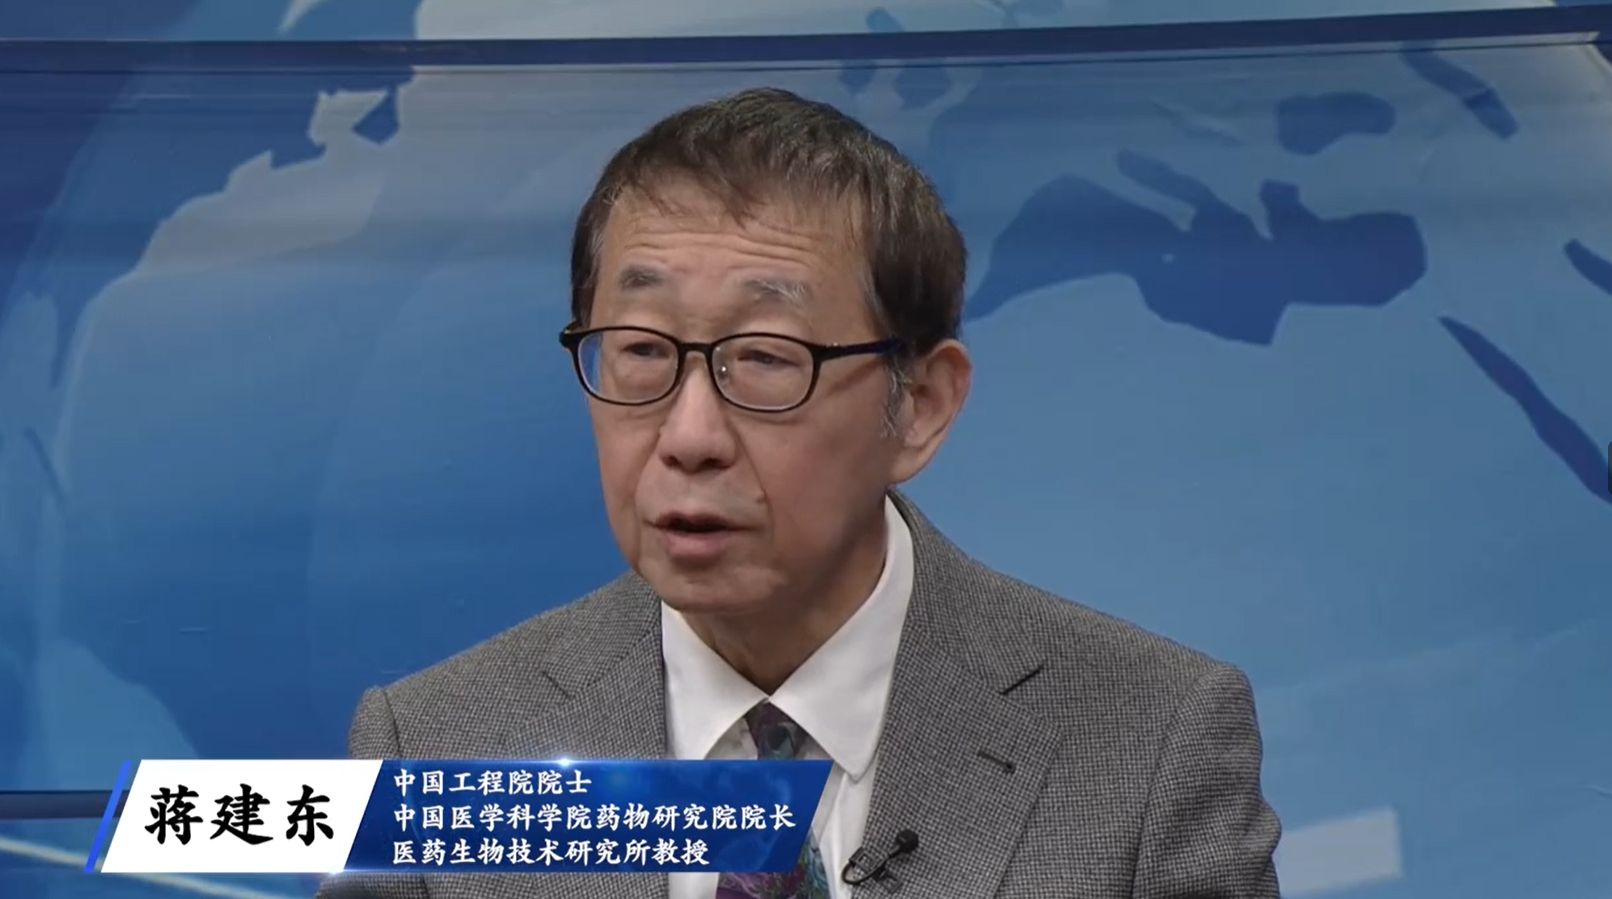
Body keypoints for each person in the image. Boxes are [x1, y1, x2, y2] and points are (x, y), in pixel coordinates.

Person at [320, 87, 1281, 899]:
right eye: (643, 351)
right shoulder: (433, 744)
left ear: (921, 405)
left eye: (766, 359)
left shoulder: (1152, 741)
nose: (689, 436)